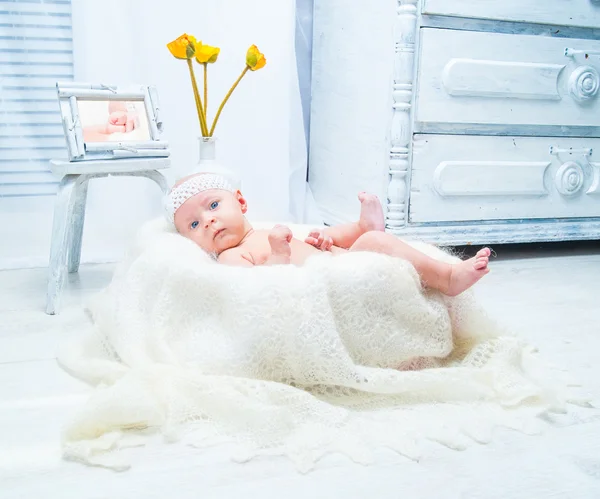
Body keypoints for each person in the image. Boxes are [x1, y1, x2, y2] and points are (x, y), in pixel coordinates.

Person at [165, 172, 491, 297]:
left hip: (340, 260)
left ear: (240, 202)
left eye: (212, 206)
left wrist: (321, 243)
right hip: (339, 281)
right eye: (193, 225)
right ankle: (447, 278)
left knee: (323, 234)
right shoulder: (230, 256)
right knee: (375, 244)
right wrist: (279, 255)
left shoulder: (261, 230)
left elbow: (311, 243)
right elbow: (254, 291)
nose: (207, 221)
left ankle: (361, 229)